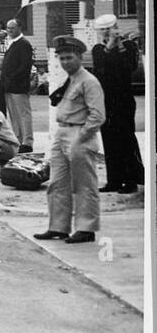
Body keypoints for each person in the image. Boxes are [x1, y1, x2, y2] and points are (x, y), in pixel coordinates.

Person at [34, 35, 105, 244]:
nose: (65, 62)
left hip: (79, 133)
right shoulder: (70, 79)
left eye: (69, 58)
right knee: (58, 183)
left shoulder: (89, 82)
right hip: (62, 132)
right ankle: (58, 226)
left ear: (80, 57)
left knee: (84, 184)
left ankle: (86, 228)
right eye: (62, 58)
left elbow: (98, 115)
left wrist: (81, 137)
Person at [91, 15, 143, 194]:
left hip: (124, 99)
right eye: (103, 29)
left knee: (126, 138)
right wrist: (109, 46)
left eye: (109, 28)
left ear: (116, 27)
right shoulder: (98, 49)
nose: (107, 32)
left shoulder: (128, 46)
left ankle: (130, 180)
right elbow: (100, 70)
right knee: (109, 140)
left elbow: (130, 67)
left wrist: (119, 44)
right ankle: (114, 179)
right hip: (106, 100)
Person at [0, 18, 35, 152]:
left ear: (19, 28)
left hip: (18, 86)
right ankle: (18, 139)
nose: (9, 31)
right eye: (8, 28)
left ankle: (27, 141)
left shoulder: (23, 44)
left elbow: (25, 65)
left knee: (23, 114)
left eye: (12, 28)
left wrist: (12, 77)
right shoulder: (11, 43)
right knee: (13, 114)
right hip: (9, 87)